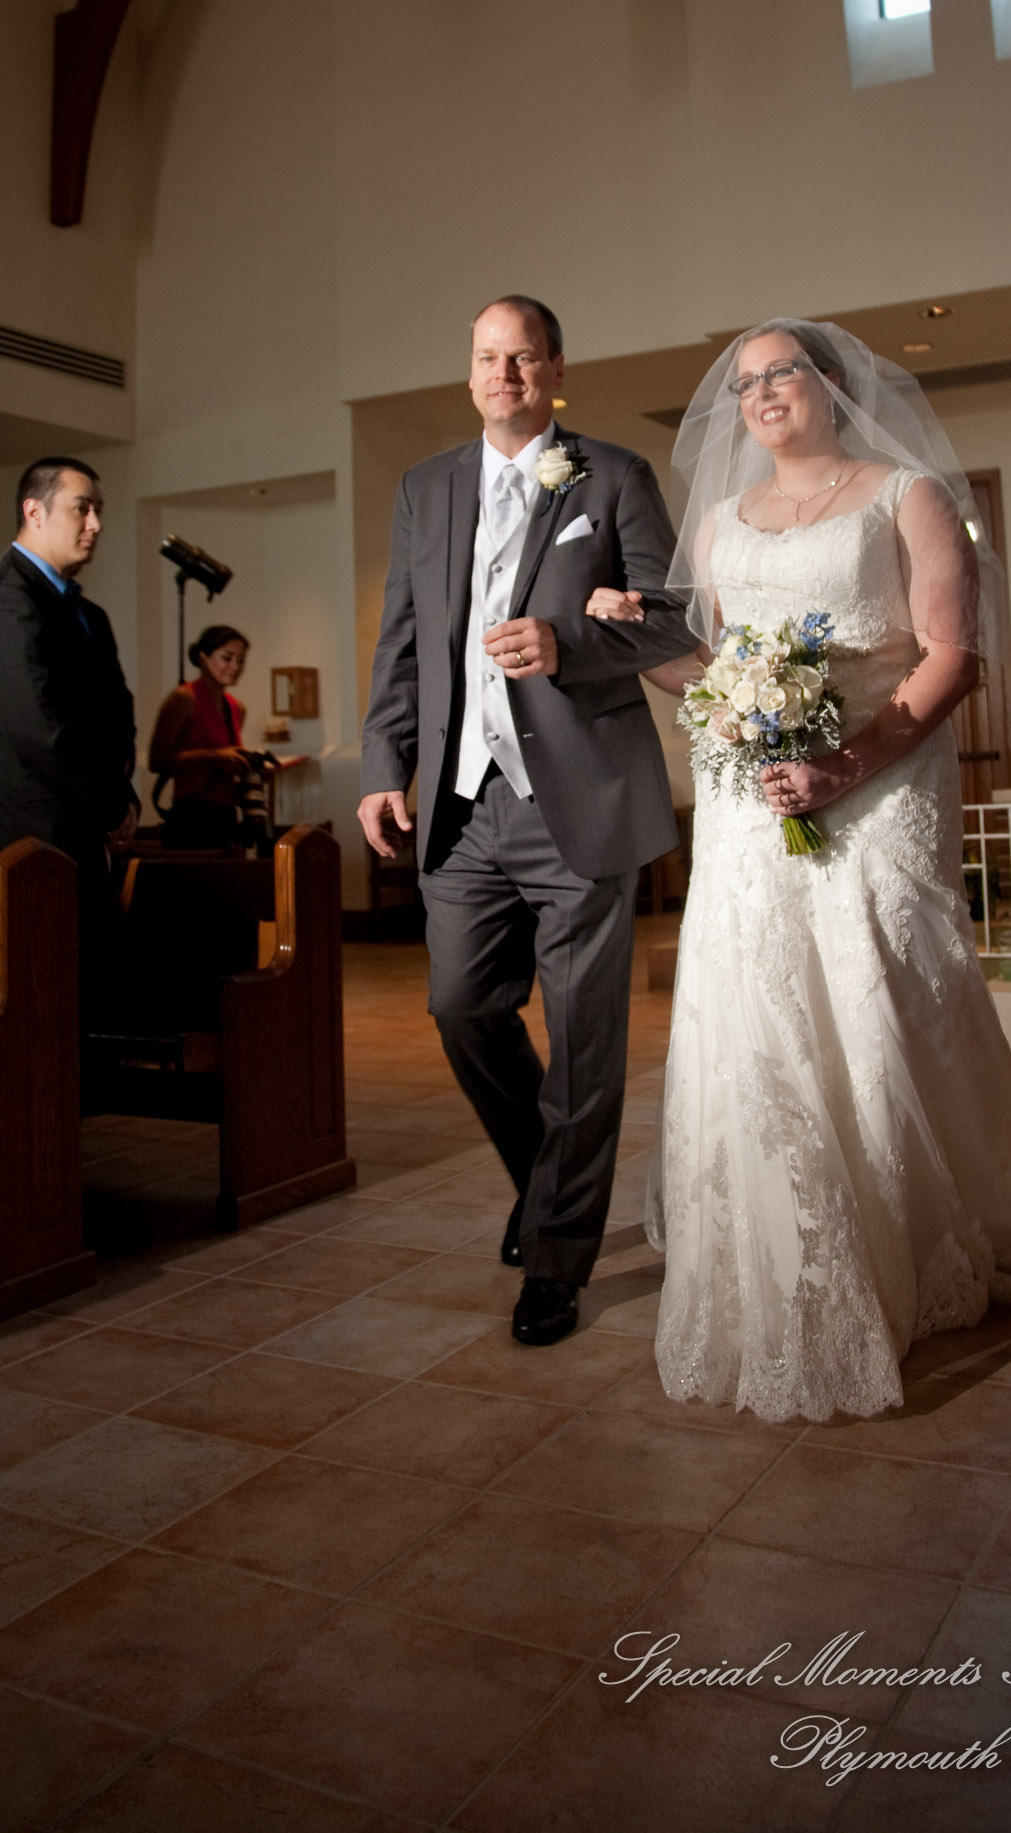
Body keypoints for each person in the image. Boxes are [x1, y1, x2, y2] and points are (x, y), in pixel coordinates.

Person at [588, 319, 1011, 1423]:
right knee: (760, 1003)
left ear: (830, 384)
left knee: (891, 990)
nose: (761, 394)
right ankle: (789, 1242)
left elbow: (951, 655)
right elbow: (712, 665)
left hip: (884, 783)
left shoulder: (908, 494)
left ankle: (937, 1225)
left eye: (780, 372)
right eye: (744, 384)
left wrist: (847, 760)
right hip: (756, 802)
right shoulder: (722, 525)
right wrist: (637, 633)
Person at [359, 296, 694, 1346]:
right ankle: (547, 1178)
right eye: (485, 358)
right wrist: (385, 761)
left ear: (554, 369)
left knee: (587, 1042)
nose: (503, 373)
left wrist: (566, 642)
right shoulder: (427, 487)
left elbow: (676, 617)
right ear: (470, 374)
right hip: (464, 805)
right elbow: (402, 639)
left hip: (580, 800)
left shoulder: (613, 473)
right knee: (462, 1007)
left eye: (523, 357)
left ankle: (556, 1257)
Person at [0, 456, 137, 1019]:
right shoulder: (6, 605)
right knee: (43, 1008)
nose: (96, 524)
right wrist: (110, 805)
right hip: (31, 841)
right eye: (83, 509)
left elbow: (116, 715)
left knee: (84, 999)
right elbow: (41, 733)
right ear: (34, 511)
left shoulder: (85, 612)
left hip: (79, 835)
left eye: (99, 511)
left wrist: (122, 797)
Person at [149, 624, 252, 849]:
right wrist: (213, 756)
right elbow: (157, 760)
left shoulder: (236, 708)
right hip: (192, 814)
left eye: (241, 660)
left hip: (224, 813)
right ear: (203, 658)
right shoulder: (184, 699)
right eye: (227, 658)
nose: (235, 666)